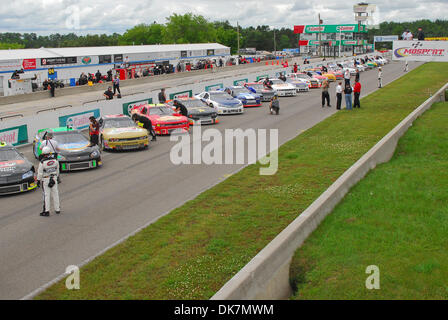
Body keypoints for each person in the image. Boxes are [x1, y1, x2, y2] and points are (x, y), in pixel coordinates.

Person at [37, 146, 60, 216]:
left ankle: (47, 211)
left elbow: (40, 173)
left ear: (43, 154)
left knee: (47, 195)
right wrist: (57, 177)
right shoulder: (55, 160)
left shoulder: (42, 162)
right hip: (54, 178)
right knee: (55, 194)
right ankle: (57, 209)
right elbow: (57, 170)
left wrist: (38, 180)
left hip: (46, 179)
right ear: (50, 153)